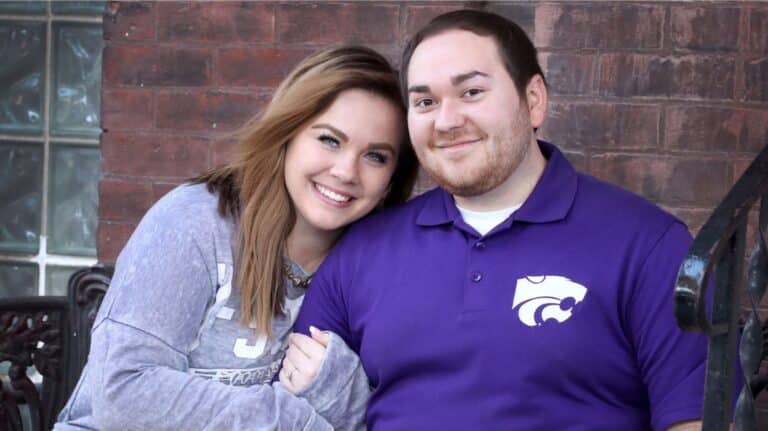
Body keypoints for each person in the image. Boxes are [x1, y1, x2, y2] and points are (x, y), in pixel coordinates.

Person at [293, 10, 707, 431]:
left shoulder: (647, 245)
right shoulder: (363, 251)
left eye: (471, 92)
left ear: (533, 101)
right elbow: (297, 407)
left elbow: (695, 420)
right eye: (425, 102)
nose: (447, 120)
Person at [54, 46, 418, 431]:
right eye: (330, 140)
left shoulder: (372, 266)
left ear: (392, 179)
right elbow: (122, 394)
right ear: (288, 133)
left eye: (376, 156)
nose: (346, 171)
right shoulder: (196, 222)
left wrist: (340, 390)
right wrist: (291, 421)